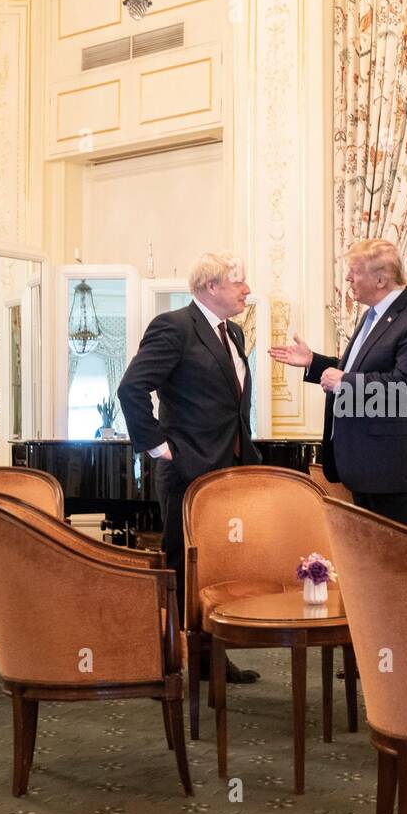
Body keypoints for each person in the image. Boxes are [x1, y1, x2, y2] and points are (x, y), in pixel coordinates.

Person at [117, 251, 261, 684]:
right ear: (212, 287)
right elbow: (132, 388)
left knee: (220, 564)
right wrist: (160, 447)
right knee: (185, 565)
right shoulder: (174, 327)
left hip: (230, 469)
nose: (246, 290)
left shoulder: (233, 332)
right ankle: (175, 656)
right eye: (239, 283)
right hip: (188, 470)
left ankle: (212, 656)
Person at [270, 238, 407, 534]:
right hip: (368, 468)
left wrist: (345, 381)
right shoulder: (372, 315)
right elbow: (359, 370)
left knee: (398, 570)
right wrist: (315, 363)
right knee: (368, 568)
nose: (348, 278)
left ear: (380, 278)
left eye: (354, 271)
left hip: (398, 472)